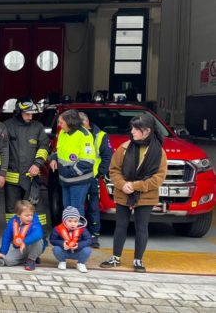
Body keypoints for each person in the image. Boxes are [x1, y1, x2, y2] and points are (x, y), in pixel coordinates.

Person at [100, 115, 166, 273]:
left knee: (141, 227)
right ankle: (116, 257)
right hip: (123, 193)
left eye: (136, 129)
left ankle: (138, 260)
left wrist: (135, 185)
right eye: (132, 128)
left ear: (147, 131)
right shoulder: (124, 147)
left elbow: (158, 178)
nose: (132, 132)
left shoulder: (159, 152)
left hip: (146, 195)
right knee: (120, 225)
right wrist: (122, 185)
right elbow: (114, 170)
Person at [3, 98, 50, 226]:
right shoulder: (7, 126)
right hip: (12, 177)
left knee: (36, 208)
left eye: (32, 114)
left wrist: (37, 164)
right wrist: (1, 173)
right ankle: (14, 233)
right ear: (19, 112)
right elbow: (1, 150)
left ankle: (40, 235)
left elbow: (44, 146)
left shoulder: (37, 127)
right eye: (27, 114)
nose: (30, 117)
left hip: (31, 177)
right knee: (12, 210)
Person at [49, 109, 96, 215]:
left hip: (78, 180)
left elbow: (87, 162)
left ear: (70, 122)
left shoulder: (84, 136)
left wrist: (68, 172)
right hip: (65, 179)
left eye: (61, 122)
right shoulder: (62, 132)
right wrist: (53, 158)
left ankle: (78, 231)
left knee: (76, 210)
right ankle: (69, 231)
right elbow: (59, 151)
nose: (59, 125)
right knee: (67, 209)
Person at [79, 112, 113, 248]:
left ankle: (94, 236)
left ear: (86, 123)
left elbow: (107, 156)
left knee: (93, 207)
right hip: (78, 177)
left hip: (93, 178)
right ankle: (80, 233)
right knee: (78, 206)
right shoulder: (76, 135)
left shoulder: (100, 136)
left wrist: (100, 173)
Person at [0, 200, 44, 271]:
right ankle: (25, 259)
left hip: (31, 247)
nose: (30, 217)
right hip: (19, 249)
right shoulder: (12, 221)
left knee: (39, 240)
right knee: (7, 261)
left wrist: (24, 242)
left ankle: (31, 260)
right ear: (18, 215)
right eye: (27, 215)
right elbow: (6, 237)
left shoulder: (35, 221)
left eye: (31, 215)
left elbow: (38, 234)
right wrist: (3, 252)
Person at [50, 206, 91, 273]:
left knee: (87, 250)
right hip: (64, 251)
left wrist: (79, 245)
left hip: (78, 251)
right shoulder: (57, 229)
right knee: (56, 249)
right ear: (64, 221)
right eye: (70, 221)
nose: (73, 224)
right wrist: (62, 243)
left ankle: (81, 263)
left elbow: (89, 240)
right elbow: (52, 240)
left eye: (75, 221)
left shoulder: (83, 229)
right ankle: (62, 261)